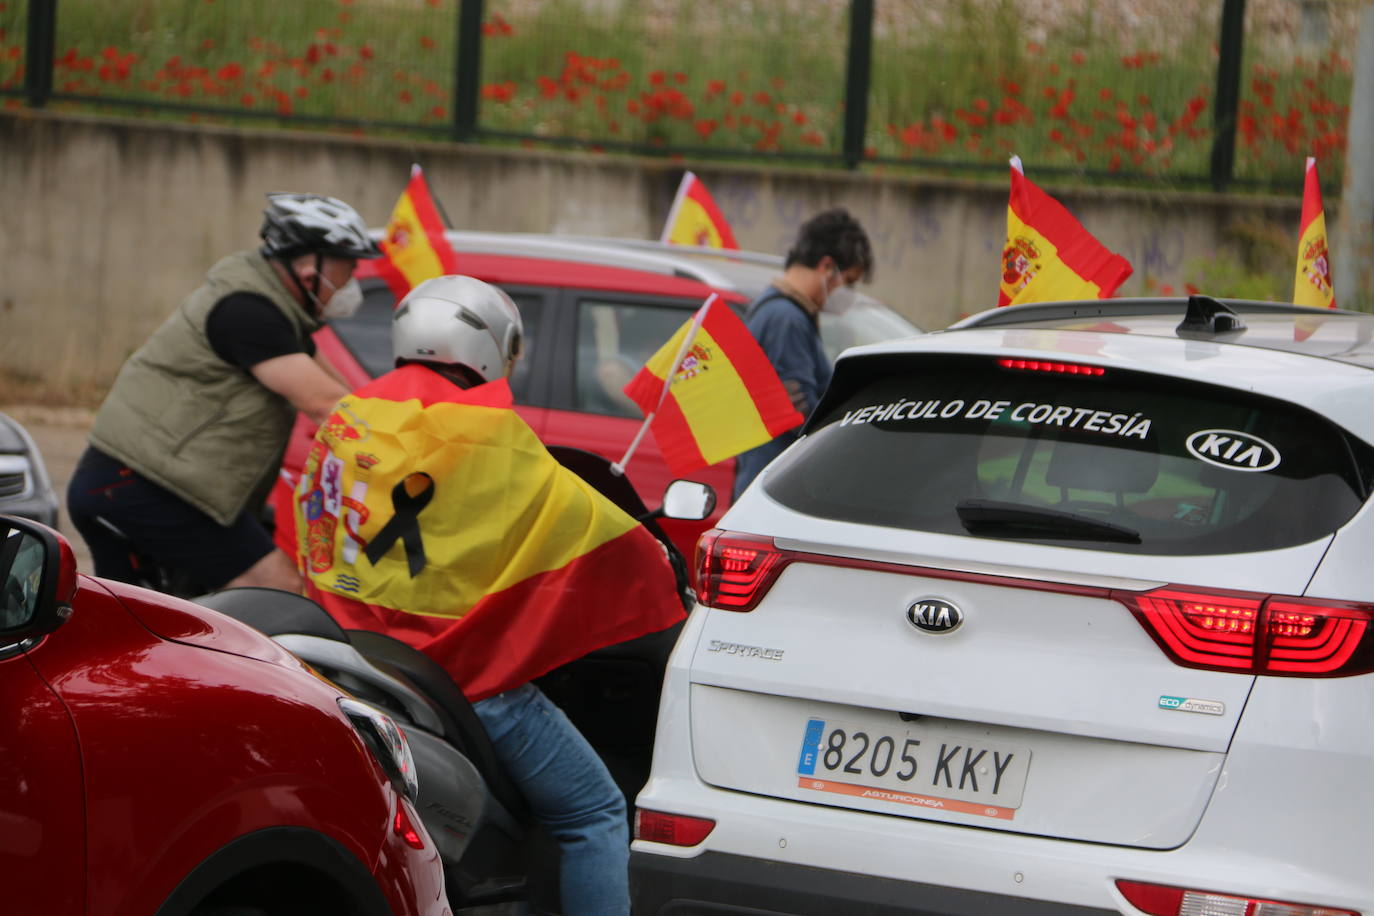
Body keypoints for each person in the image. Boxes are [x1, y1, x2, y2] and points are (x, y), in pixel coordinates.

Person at [292, 275, 684, 916]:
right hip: (462, 675)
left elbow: (313, 518)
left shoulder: (351, 414)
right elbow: (584, 531)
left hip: (345, 654)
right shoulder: (492, 433)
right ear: (493, 348)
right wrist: (664, 576)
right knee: (595, 811)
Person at [67, 193, 382, 593]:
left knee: (167, 626)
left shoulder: (276, 309)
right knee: (277, 590)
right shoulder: (248, 311)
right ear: (308, 265)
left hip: (147, 484)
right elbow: (326, 405)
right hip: (139, 486)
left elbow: (352, 397)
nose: (351, 281)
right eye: (348, 268)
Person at [732, 207, 874, 498]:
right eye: (848, 282)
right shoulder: (786, 319)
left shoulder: (777, 310)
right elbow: (801, 416)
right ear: (826, 267)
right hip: (776, 485)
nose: (847, 293)